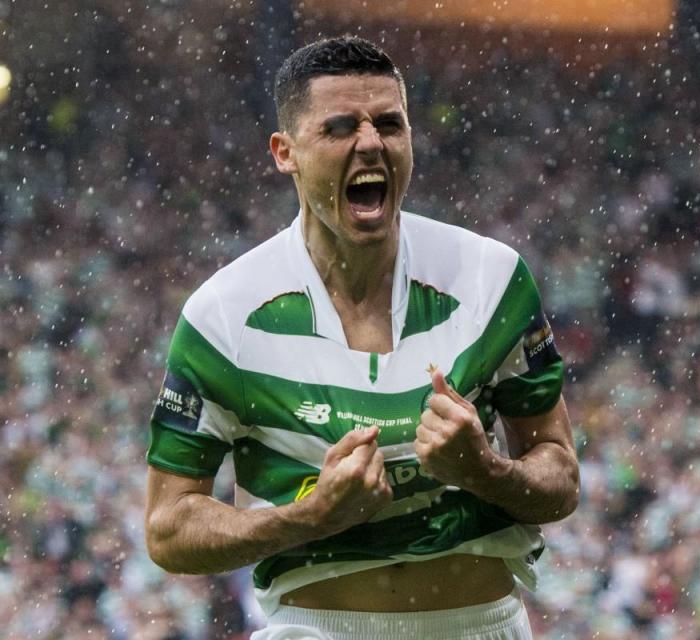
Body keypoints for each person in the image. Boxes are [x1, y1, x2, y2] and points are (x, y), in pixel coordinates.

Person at [143, 35, 579, 640]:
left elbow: (561, 479)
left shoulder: (491, 278)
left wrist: (483, 469)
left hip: (480, 624)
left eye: (390, 124)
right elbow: (168, 528)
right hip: (317, 627)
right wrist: (310, 517)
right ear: (284, 152)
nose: (371, 142)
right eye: (340, 127)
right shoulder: (223, 314)